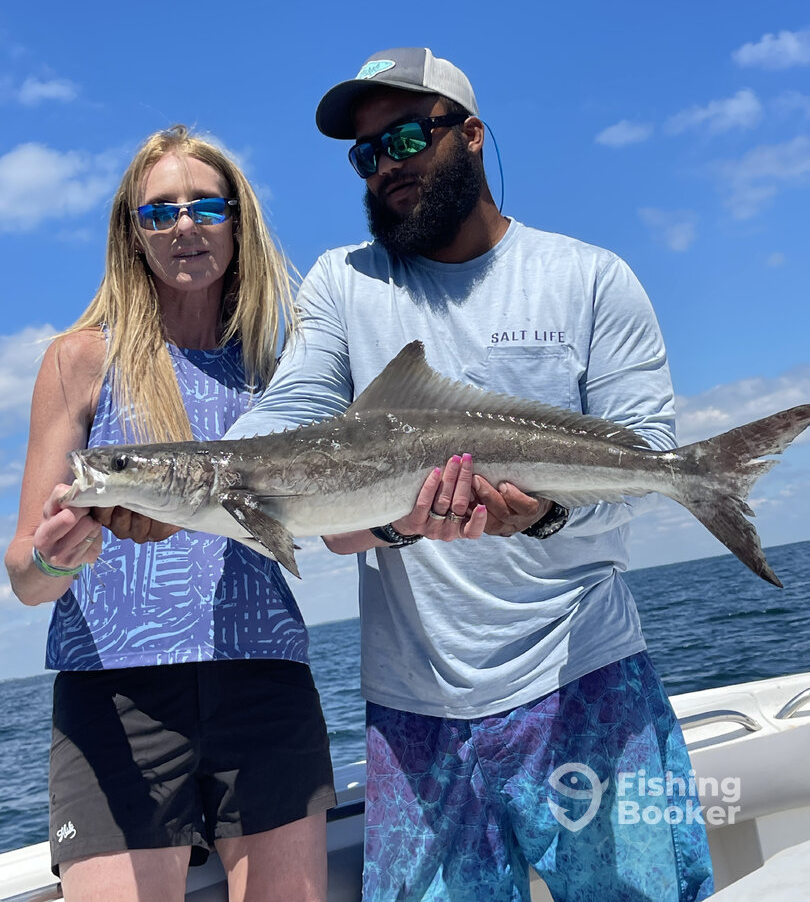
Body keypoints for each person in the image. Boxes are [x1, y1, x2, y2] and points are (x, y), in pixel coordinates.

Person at [225, 49, 715, 902]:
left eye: (407, 138)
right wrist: (196, 476)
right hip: (414, 712)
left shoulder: (590, 279)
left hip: (584, 679)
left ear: (474, 134)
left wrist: (545, 513)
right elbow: (293, 403)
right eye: (366, 154)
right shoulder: (344, 282)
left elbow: (644, 460)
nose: (386, 165)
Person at [5, 126, 335, 902]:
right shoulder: (79, 360)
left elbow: (340, 519)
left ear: (237, 220)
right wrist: (55, 555)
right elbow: (24, 576)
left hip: (265, 679)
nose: (184, 225)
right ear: (134, 233)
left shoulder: (283, 368)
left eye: (205, 206)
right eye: (159, 211)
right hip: (115, 697)